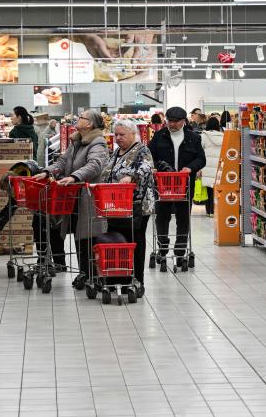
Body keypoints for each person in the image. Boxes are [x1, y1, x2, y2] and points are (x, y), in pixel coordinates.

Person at [33, 109, 109, 289]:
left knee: (87, 236)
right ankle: (84, 273)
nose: (78, 119)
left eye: (82, 118)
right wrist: (47, 171)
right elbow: (62, 161)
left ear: (90, 124)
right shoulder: (76, 142)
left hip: (88, 198)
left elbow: (95, 165)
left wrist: (75, 177)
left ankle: (91, 275)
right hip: (72, 196)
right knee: (77, 235)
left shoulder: (98, 142)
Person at [148, 106, 206, 272]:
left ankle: (180, 250)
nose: (171, 124)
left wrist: (190, 168)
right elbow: (149, 154)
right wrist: (153, 168)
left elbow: (201, 159)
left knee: (183, 218)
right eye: (169, 121)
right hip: (163, 186)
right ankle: (163, 247)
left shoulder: (193, 138)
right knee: (162, 217)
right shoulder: (159, 136)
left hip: (184, 186)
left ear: (183, 121)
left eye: (175, 121)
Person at [100, 119, 155, 291]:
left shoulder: (142, 150)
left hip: (137, 207)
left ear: (133, 134)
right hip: (116, 206)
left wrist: (131, 177)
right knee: (117, 241)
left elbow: (146, 168)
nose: (118, 138)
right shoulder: (117, 152)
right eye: (116, 134)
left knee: (135, 242)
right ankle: (121, 277)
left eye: (122, 134)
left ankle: (137, 280)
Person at [0, 161, 66, 270]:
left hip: (54, 203)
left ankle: (60, 263)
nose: (10, 194)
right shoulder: (16, 183)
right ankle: (43, 262)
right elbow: (9, 209)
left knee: (55, 231)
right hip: (40, 207)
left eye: (8, 191)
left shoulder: (35, 174)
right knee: (37, 227)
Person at [199, 117, 224, 217]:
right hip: (218, 165)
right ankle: (215, 211)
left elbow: (199, 150)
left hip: (206, 165)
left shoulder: (203, 136)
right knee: (216, 189)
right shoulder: (223, 136)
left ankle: (208, 211)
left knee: (208, 190)